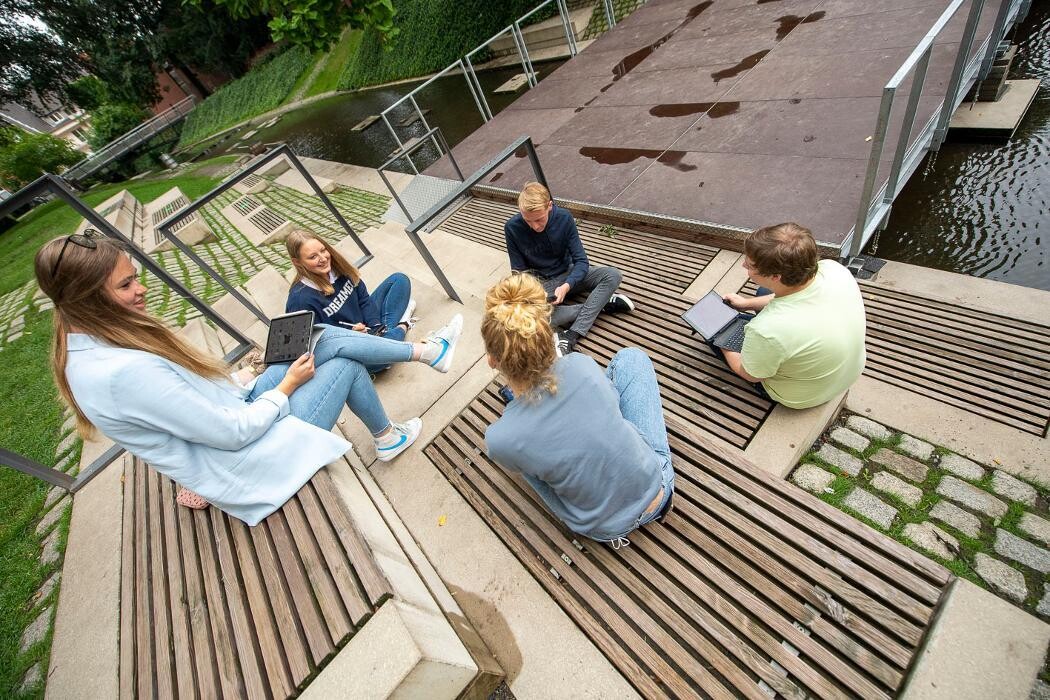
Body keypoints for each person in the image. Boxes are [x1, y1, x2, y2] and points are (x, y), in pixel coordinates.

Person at [35, 231, 461, 524]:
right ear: (88, 297)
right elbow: (232, 433)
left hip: (239, 413)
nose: (141, 289)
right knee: (343, 364)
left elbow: (187, 406)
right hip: (248, 461)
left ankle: (423, 354)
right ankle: (391, 427)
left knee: (317, 338)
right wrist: (285, 387)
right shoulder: (122, 373)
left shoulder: (96, 345)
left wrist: (242, 381)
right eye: (127, 284)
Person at [482, 273, 674, 549]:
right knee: (631, 358)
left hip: (600, 527)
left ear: (492, 360)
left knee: (525, 456)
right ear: (547, 340)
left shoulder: (499, 439)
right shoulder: (581, 365)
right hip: (658, 490)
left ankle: (523, 402)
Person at [720, 222, 866, 409]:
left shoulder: (766, 329)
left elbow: (750, 374)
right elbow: (795, 296)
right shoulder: (834, 269)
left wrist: (722, 341)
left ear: (775, 276)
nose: (743, 265)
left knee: (722, 335)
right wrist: (746, 304)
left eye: (749, 265)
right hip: (847, 373)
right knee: (763, 291)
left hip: (801, 397)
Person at [504, 182, 634, 356]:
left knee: (612, 275)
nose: (535, 226)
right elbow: (519, 274)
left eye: (539, 219)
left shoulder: (564, 218)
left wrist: (567, 285)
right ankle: (600, 305)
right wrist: (535, 294)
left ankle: (570, 335)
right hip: (542, 285)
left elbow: (581, 261)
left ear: (549, 206)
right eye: (528, 220)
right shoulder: (512, 228)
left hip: (569, 274)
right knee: (525, 319)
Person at [285, 230, 418, 374]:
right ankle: (402, 326)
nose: (323, 258)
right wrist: (352, 335)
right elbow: (317, 349)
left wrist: (375, 326)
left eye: (323, 250)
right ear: (297, 262)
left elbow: (364, 300)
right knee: (376, 361)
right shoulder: (299, 300)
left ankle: (386, 338)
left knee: (399, 280)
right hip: (349, 347)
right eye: (312, 257)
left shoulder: (338, 267)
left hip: (366, 327)